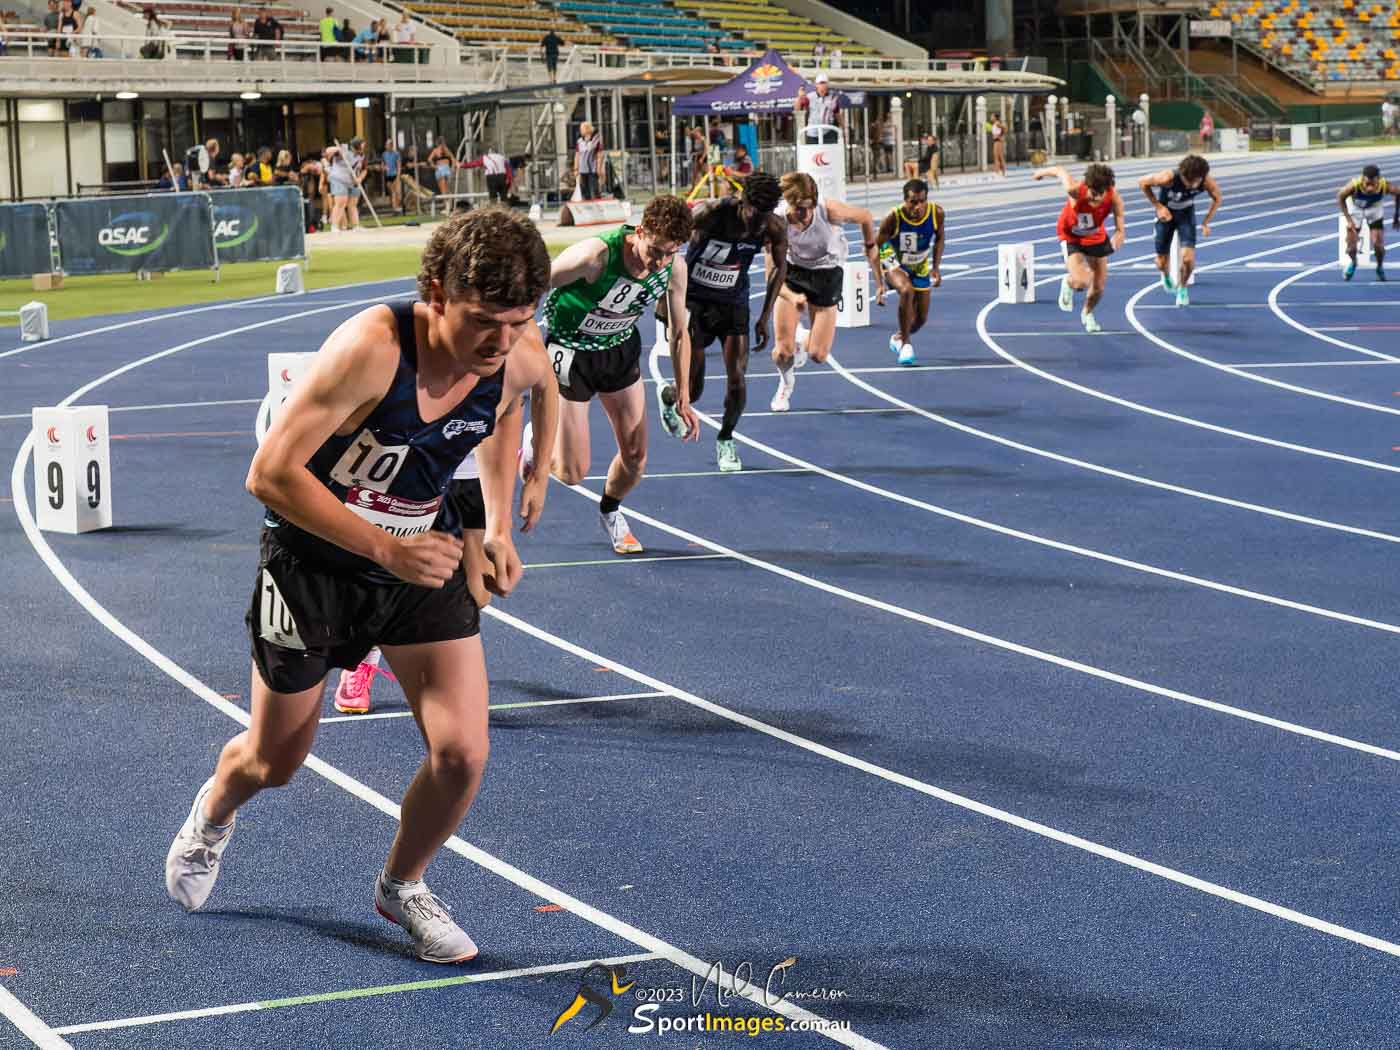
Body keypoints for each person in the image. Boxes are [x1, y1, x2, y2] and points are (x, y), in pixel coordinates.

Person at [165, 209, 552, 965]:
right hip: (313, 564)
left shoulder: (514, 353)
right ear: (436, 292)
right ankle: (215, 810)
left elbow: (510, 408)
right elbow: (269, 475)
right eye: (483, 321)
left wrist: (496, 525)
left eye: (517, 322)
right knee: (276, 761)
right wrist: (385, 547)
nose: (500, 341)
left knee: (462, 752)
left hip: (420, 559)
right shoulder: (372, 349)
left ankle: (401, 884)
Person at [334, 363, 560, 716]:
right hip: (417, 474)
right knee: (393, 572)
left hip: (473, 477)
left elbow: (539, 390)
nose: (502, 336)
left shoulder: (520, 341)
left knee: (480, 592)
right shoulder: (415, 338)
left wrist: (539, 474)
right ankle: (364, 657)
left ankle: (432, 658)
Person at [537, 196, 698, 553]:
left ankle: (611, 513)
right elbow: (534, 285)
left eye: (668, 253)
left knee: (636, 455)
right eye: (654, 250)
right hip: (570, 352)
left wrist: (684, 391)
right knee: (571, 473)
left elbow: (680, 331)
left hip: (619, 350)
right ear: (639, 232)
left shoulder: (674, 268)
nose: (658, 262)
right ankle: (535, 446)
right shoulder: (595, 256)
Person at [672, 171, 786, 472]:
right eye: (753, 213)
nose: (757, 221)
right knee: (693, 390)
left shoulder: (772, 226)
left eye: (765, 214)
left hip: (734, 303)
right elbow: (667, 241)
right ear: (742, 201)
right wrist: (666, 293)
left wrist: (764, 316)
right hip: (695, 301)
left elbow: (779, 268)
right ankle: (670, 395)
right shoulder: (711, 213)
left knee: (737, 378)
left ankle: (726, 438)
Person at [769, 172, 884, 412]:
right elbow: (772, 275)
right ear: (789, 203)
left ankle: (802, 339)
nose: (806, 214)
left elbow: (865, 216)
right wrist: (792, 296)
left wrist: (870, 245)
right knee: (782, 351)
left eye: (810, 207)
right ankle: (785, 383)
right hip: (793, 274)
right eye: (800, 209)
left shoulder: (829, 210)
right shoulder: (776, 222)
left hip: (827, 274)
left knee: (819, 355)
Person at [1034, 162, 1124, 334]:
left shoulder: (1113, 197)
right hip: (1071, 236)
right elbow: (1060, 170)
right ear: (1086, 186)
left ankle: (1087, 313)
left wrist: (1118, 235)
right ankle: (1068, 282)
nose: (1096, 198)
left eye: (1100, 194)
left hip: (1095, 236)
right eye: (1093, 193)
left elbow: (1119, 221)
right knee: (1082, 281)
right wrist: (1041, 172)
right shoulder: (1075, 190)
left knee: (1099, 287)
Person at [1138, 153, 1222, 306]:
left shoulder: (1205, 180)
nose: (1193, 185)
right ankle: (1165, 275)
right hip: (1166, 216)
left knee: (1188, 259)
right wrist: (1158, 207)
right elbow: (1142, 182)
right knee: (1161, 262)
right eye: (1189, 181)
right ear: (1183, 175)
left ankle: (1183, 288)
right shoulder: (1167, 177)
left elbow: (1217, 197)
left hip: (1186, 216)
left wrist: (1205, 222)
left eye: (1197, 181)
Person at [875, 178, 943, 365]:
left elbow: (939, 239)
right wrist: (880, 283)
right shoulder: (893, 217)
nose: (918, 206)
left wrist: (936, 267)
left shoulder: (936, 213)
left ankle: (898, 337)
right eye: (913, 202)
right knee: (906, 290)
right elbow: (874, 248)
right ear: (905, 200)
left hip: (919, 263)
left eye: (922, 201)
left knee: (920, 319)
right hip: (893, 259)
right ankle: (906, 345)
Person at [1338, 164, 1400, 281]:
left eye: (1373, 184)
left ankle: (1379, 267)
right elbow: (1340, 197)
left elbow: (1398, 194)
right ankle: (1353, 262)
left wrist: (1396, 215)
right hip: (1356, 209)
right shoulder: (1354, 185)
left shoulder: (1384, 185)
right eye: (1367, 184)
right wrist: (1349, 220)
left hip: (1374, 208)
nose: (1370, 188)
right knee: (1351, 247)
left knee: (1378, 243)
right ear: (1363, 179)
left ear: (1378, 180)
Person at [796, 72, 843, 143]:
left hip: (828, 131)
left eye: (824, 83)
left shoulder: (833, 97)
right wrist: (799, 97)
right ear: (816, 85)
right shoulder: (809, 97)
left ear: (827, 84)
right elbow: (797, 109)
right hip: (813, 133)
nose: (823, 85)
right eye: (820, 83)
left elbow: (837, 113)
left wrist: (842, 126)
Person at [574, 121, 602, 200]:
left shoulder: (596, 139)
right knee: (584, 190)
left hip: (593, 169)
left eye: (581, 129)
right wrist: (576, 168)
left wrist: (599, 168)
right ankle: (587, 205)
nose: (580, 130)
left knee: (595, 189)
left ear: (587, 129)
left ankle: (598, 204)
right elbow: (577, 155)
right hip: (582, 169)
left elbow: (599, 154)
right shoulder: (579, 141)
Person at [382, 138, 402, 211]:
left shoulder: (396, 154)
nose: (387, 146)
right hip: (388, 175)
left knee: (397, 192)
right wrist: (384, 167)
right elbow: (383, 164)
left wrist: (398, 176)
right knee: (392, 192)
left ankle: (396, 207)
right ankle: (395, 208)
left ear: (391, 145)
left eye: (388, 144)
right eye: (386, 145)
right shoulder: (384, 154)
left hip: (395, 174)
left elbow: (399, 165)